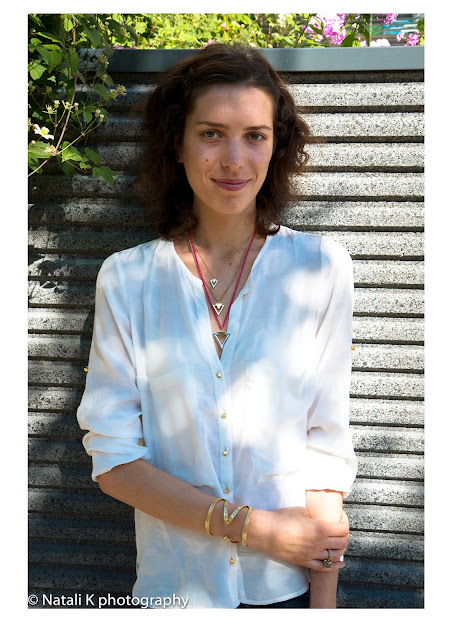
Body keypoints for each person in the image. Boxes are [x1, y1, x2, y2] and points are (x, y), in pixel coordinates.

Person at [77, 43, 357, 609]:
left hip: (286, 592)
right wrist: (256, 529)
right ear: (177, 144)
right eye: (211, 133)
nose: (234, 159)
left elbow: (325, 447)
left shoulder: (321, 268)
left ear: (276, 147)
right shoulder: (127, 279)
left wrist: (324, 610)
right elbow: (115, 463)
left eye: (255, 135)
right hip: (176, 594)